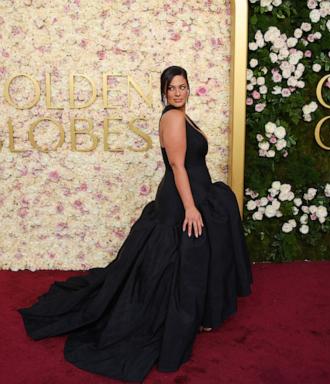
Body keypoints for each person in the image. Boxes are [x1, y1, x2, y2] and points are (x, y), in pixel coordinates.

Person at [17, 65, 253, 382]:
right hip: (182, 198)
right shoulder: (172, 117)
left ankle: (199, 313)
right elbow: (177, 165)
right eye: (172, 88)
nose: (178, 92)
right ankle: (179, 316)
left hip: (197, 193)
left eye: (183, 86)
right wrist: (190, 208)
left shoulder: (184, 116)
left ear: (189, 87)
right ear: (164, 92)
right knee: (183, 257)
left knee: (197, 255)